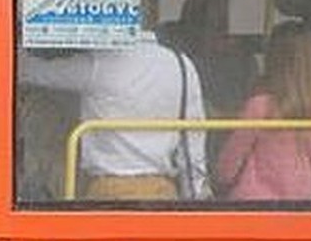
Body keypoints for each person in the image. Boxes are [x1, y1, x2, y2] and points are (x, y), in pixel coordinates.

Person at [20, 32, 209, 202]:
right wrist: (197, 200)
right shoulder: (182, 64)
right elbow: (193, 143)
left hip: (108, 192)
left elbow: (26, 70)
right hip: (164, 192)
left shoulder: (100, 63)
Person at [215, 20, 311, 201]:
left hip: (255, 206)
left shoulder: (259, 106)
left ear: (273, 58)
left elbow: (227, 169)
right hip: (303, 206)